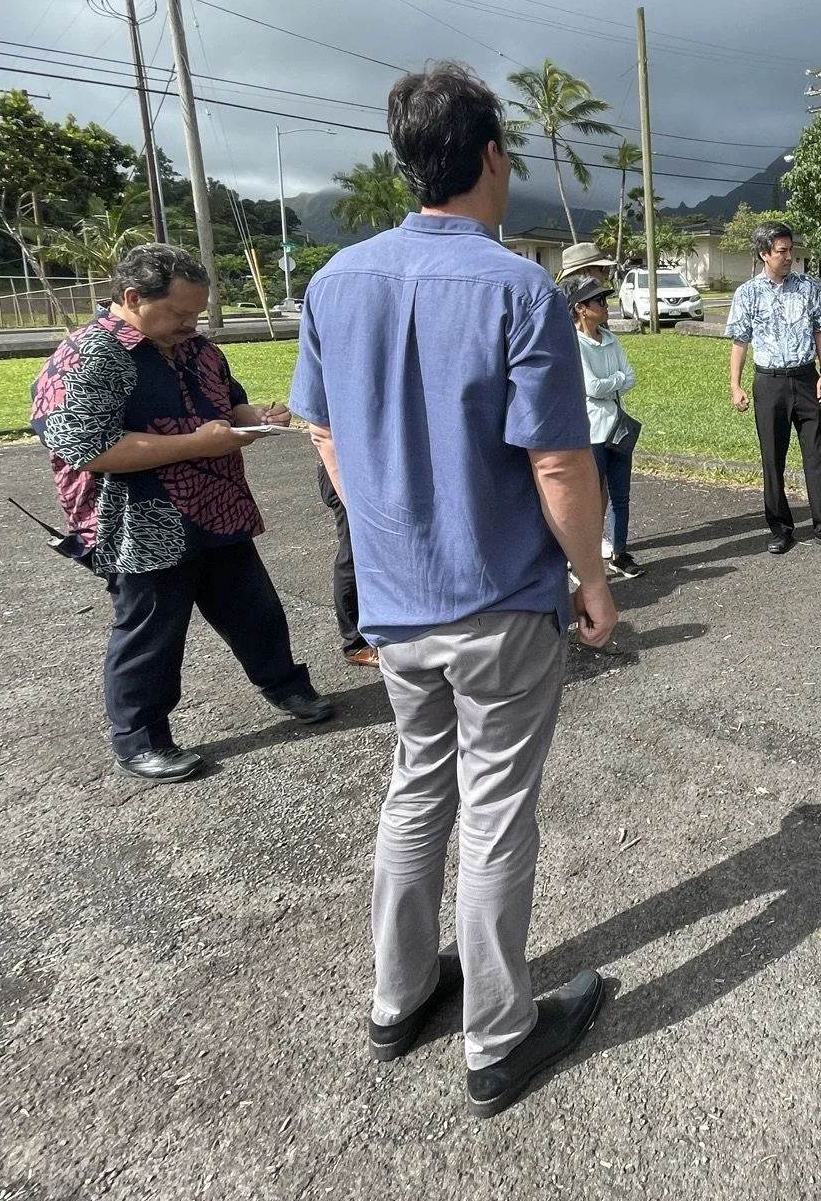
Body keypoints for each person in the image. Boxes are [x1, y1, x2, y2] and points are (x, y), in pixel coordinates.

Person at [289, 60, 613, 1118]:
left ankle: (397, 998)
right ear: (488, 158)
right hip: (499, 600)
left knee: (415, 788)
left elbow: (322, 426)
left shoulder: (334, 284)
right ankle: (497, 1036)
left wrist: (383, 520)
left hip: (396, 601)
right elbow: (558, 466)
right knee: (496, 812)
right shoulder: (521, 289)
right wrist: (593, 577)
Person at [29, 243, 335, 784]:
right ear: (131, 298)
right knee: (151, 633)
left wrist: (253, 417)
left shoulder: (197, 350)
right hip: (139, 521)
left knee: (255, 610)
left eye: (197, 312)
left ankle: (286, 687)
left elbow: (227, 404)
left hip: (216, 507)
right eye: (178, 313)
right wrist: (198, 444)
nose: (190, 324)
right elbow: (89, 447)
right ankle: (139, 739)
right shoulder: (90, 356)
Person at [725, 220, 821, 555]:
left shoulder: (808, 286)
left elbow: (820, 331)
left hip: (805, 378)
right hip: (769, 382)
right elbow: (740, 341)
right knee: (772, 458)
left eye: (790, 249)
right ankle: (780, 529)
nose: (788, 256)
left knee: (816, 455)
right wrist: (735, 384)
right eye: (781, 251)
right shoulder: (747, 293)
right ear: (764, 254)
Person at [564, 273, 645, 580]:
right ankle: (578, 559)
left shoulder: (611, 340)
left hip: (616, 429)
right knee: (587, 498)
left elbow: (630, 377)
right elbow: (591, 386)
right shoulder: (575, 343)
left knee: (621, 495)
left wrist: (610, 384)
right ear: (581, 308)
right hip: (590, 431)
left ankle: (619, 553)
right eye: (599, 301)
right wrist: (615, 383)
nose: (606, 305)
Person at [318, 464, 377, 668]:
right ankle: (355, 643)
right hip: (343, 470)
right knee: (353, 553)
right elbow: (322, 436)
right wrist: (343, 488)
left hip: (362, 467)